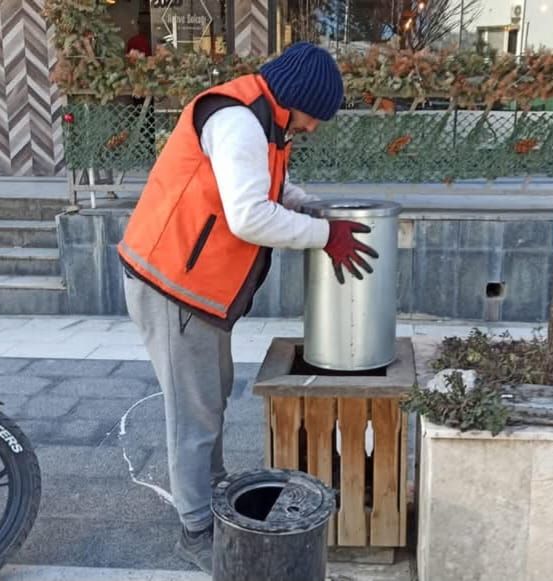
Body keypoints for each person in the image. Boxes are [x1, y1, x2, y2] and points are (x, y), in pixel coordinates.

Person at [118, 42, 378, 574]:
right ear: (297, 100)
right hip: (172, 284)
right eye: (314, 116)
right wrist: (323, 234)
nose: (312, 128)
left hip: (196, 290)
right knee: (195, 414)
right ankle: (195, 530)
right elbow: (249, 216)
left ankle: (208, 502)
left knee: (208, 403)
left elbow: (266, 186)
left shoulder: (261, 120)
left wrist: (306, 205)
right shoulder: (239, 122)